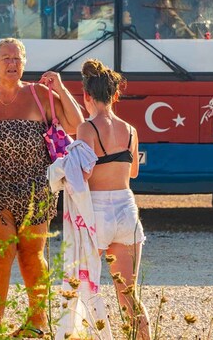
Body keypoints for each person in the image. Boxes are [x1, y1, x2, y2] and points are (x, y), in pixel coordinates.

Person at [0, 38, 84, 337]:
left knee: (31, 254)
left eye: (17, 58)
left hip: (37, 189)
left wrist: (60, 88)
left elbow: (77, 125)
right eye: (6, 58)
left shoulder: (41, 95)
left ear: (23, 64)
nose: (12, 63)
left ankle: (37, 323)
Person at [77, 59, 151, 340]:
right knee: (128, 295)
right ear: (115, 94)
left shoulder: (87, 129)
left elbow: (82, 175)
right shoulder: (131, 130)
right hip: (126, 209)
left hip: (97, 210)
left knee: (87, 288)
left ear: (86, 95)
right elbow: (132, 172)